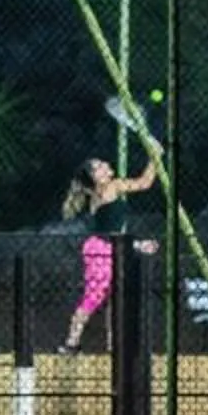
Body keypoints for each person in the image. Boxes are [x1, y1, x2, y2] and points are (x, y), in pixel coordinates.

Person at [60, 141, 163, 352]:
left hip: (107, 246)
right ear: (95, 177)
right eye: (99, 167)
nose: (105, 164)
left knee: (112, 298)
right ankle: (73, 342)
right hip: (101, 249)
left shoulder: (102, 192)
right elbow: (144, 183)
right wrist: (155, 157)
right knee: (94, 297)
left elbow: (114, 233)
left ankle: (110, 344)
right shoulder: (111, 186)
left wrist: (137, 245)